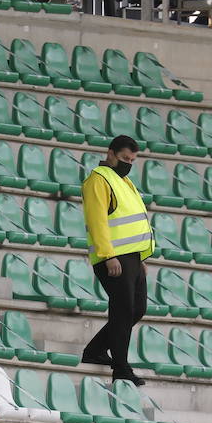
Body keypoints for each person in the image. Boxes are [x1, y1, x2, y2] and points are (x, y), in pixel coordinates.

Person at [80, 135, 152, 386]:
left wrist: (141, 256)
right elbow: (98, 220)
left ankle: (95, 350)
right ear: (110, 153)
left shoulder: (125, 181)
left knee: (136, 309)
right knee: (122, 311)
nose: (128, 163)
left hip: (132, 256)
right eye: (124, 158)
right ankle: (121, 368)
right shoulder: (99, 179)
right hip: (113, 256)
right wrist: (108, 255)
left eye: (132, 160)